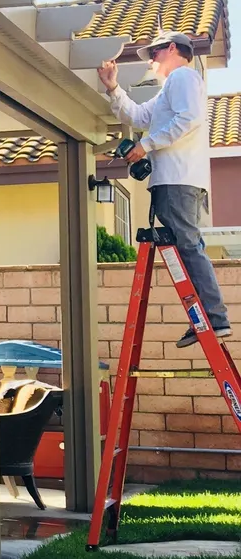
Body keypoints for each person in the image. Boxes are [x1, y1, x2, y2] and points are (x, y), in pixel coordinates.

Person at [98, 30, 231, 347]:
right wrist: (113, 87)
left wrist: (145, 145)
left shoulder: (183, 77)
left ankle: (213, 319)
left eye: (155, 54)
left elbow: (189, 119)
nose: (152, 62)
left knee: (188, 246)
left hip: (178, 178)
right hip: (172, 179)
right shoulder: (168, 89)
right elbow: (138, 115)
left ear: (172, 49)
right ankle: (205, 318)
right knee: (185, 247)